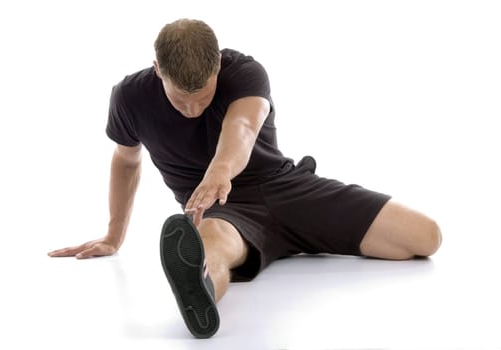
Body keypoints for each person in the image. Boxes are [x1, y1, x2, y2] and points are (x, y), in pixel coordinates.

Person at [48, 18, 442, 338]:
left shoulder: (246, 72)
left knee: (426, 237)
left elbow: (243, 128)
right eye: (179, 99)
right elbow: (126, 161)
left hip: (289, 190)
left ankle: (291, 243)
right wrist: (114, 235)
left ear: (218, 64)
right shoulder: (129, 98)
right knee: (209, 250)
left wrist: (219, 171)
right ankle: (199, 290)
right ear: (157, 71)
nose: (191, 109)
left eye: (202, 97)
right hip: (223, 211)